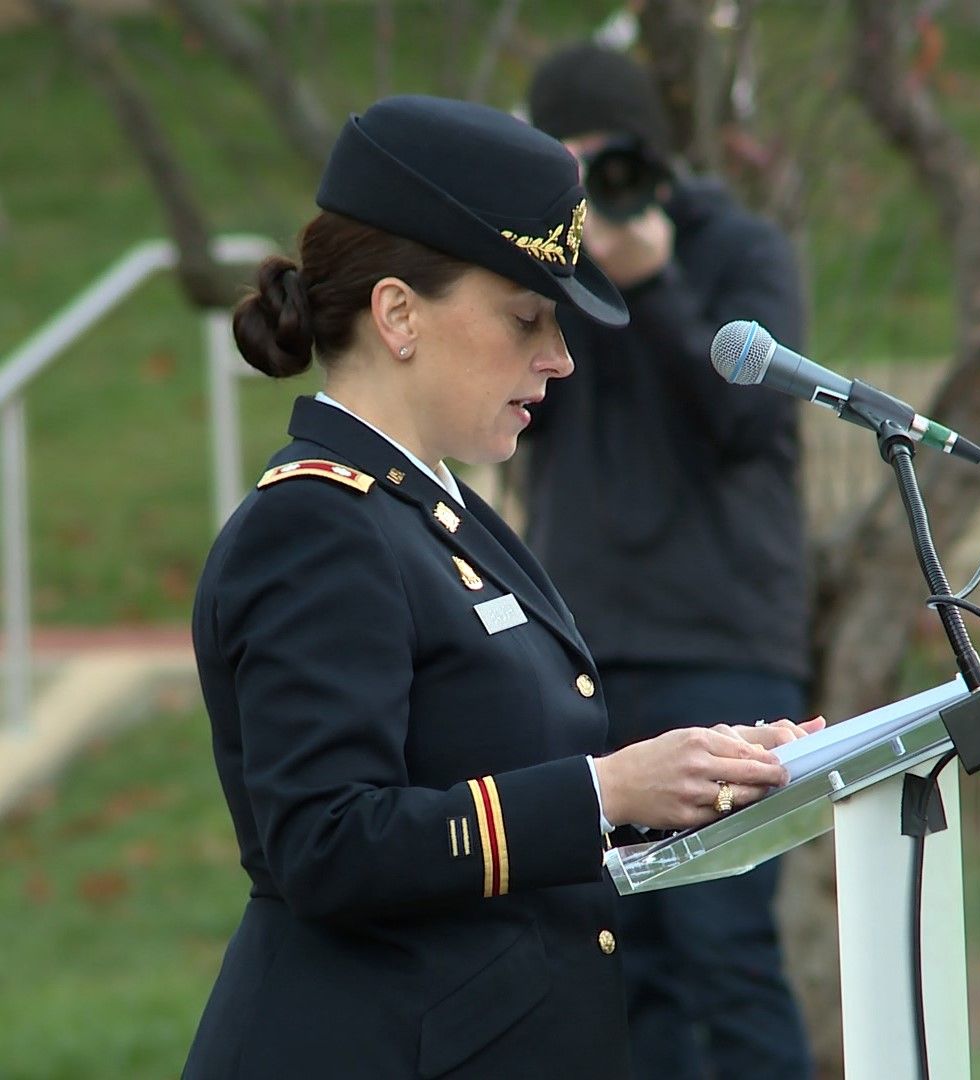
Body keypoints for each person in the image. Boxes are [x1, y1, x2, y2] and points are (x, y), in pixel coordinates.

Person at [183, 94, 820, 1080]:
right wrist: (606, 788)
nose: (559, 359)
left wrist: (692, 776)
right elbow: (326, 842)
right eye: (526, 318)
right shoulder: (316, 526)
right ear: (398, 314)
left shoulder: (435, 514)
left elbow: (497, 770)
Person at [521, 43, 815, 1080]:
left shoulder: (739, 251)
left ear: (656, 152)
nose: (597, 183)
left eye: (613, 157)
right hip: (587, 645)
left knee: (724, 946)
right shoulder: (539, 268)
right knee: (617, 953)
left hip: (721, 639)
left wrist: (656, 286)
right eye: (569, 159)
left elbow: (745, 426)